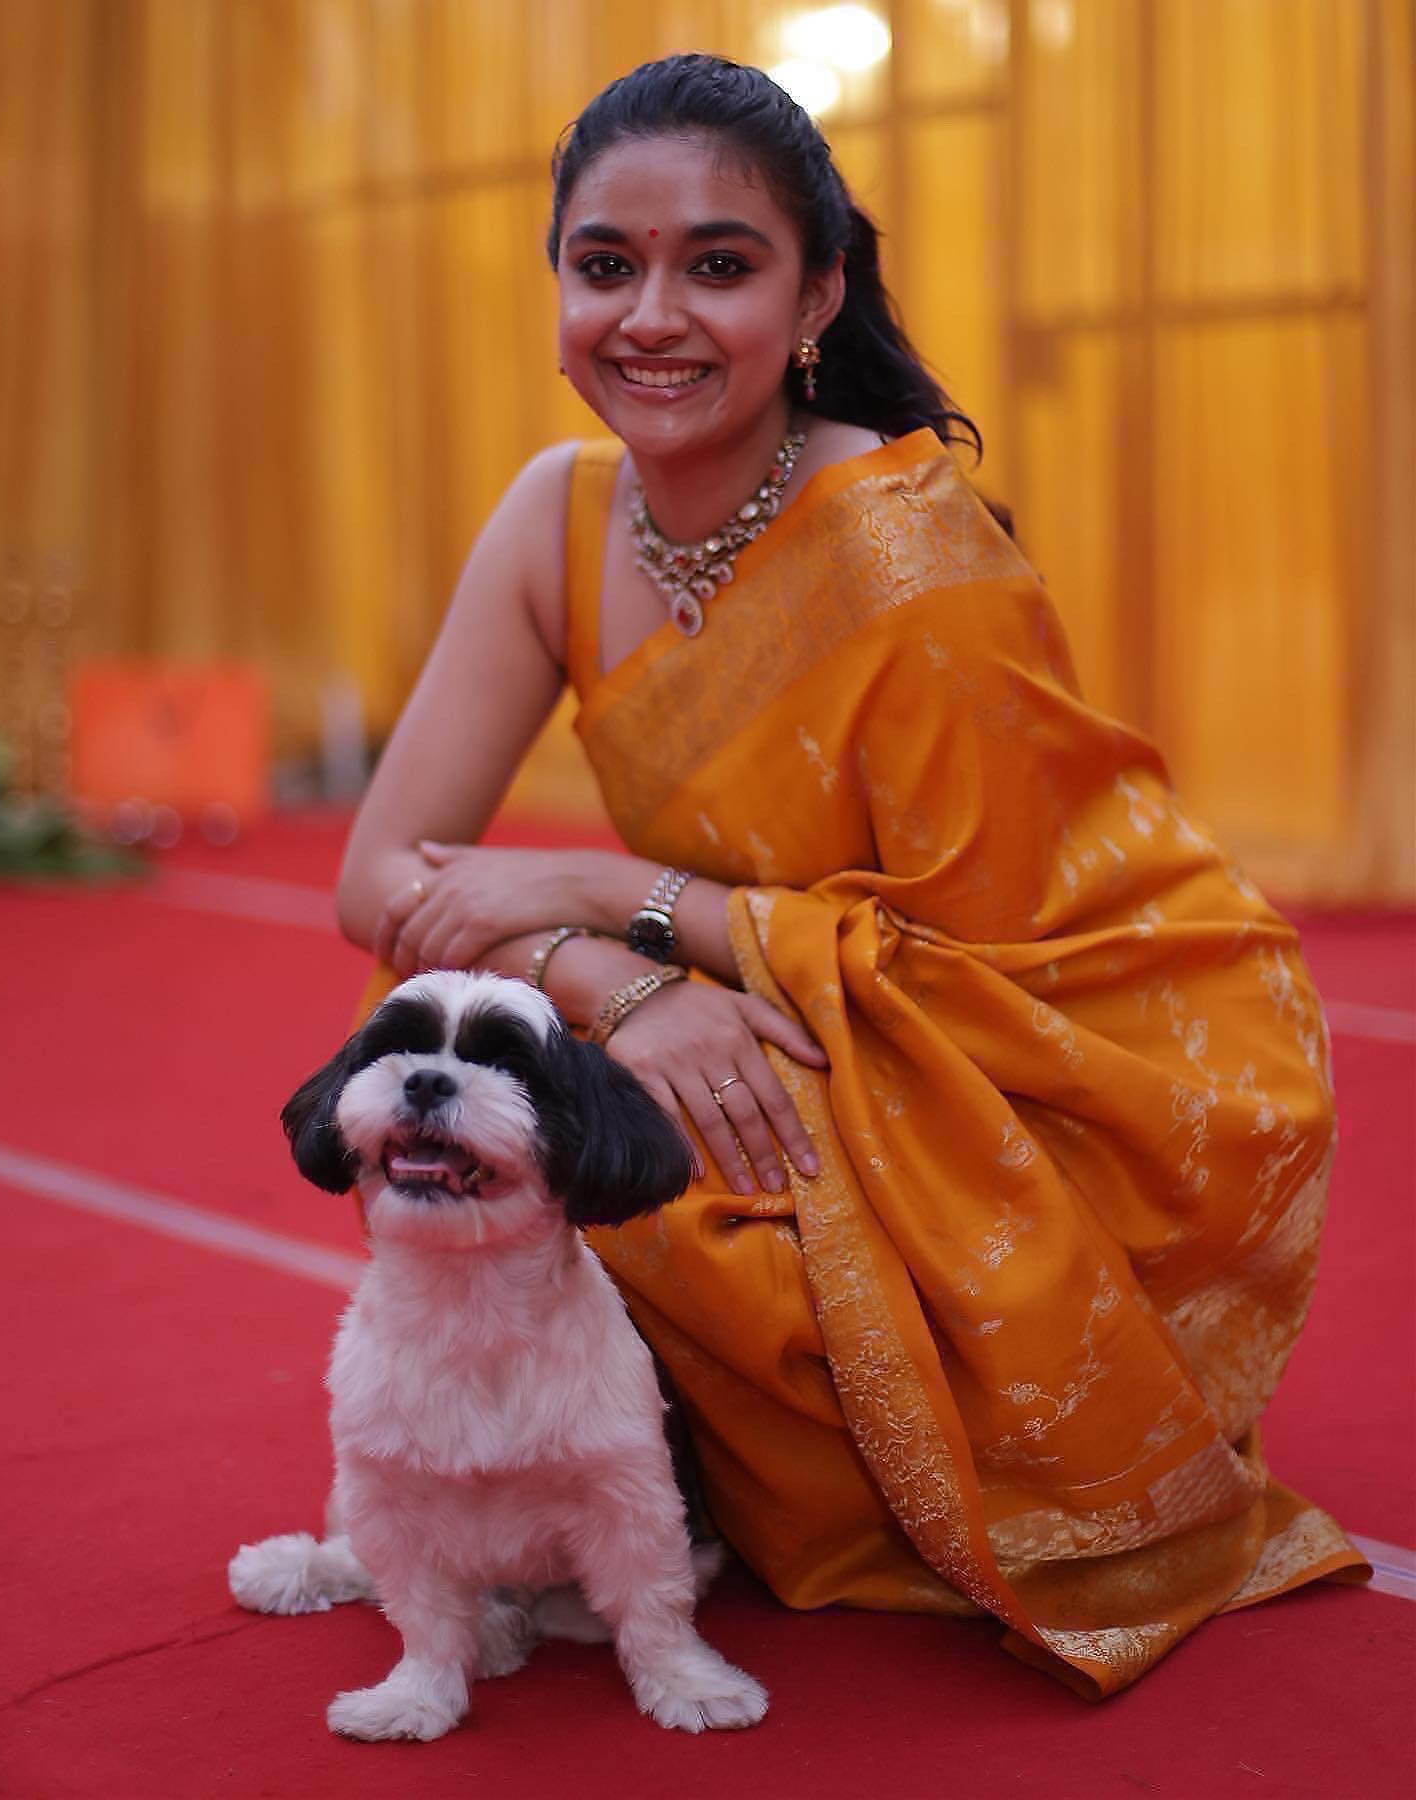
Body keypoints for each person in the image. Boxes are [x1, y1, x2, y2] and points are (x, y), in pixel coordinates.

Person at [333, 53, 1366, 1698]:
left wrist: (611, 891)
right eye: (605, 265)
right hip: (766, 1006)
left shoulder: (908, 554)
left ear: (816, 295)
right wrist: (620, 984)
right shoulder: (557, 517)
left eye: (718, 266)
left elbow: (984, 973)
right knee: (483, 1050)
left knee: (638, 1168)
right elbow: (382, 879)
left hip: (1014, 1065)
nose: (651, 317)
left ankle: (752, 1473)